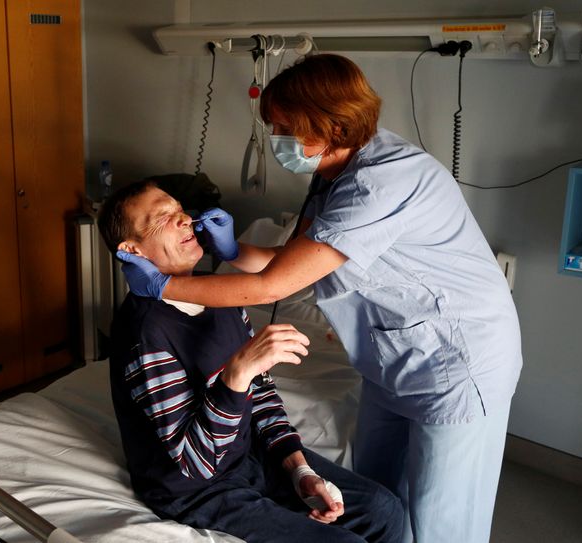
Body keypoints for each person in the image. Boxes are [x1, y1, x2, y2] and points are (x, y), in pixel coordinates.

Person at [117, 54, 523, 543]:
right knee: (381, 499)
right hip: (391, 358)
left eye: (284, 126)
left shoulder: (380, 182)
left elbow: (274, 289)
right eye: (161, 219)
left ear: (327, 125)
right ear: (130, 248)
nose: (275, 137)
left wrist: (165, 285)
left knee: (440, 523)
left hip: (456, 358)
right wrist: (231, 250)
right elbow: (287, 260)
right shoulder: (330, 171)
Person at [98, 180, 403, 543]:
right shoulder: (144, 334)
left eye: (180, 210)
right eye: (162, 218)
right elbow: (196, 462)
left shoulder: (219, 295)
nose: (183, 219)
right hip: (198, 488)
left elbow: (262, 399)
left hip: (251, 455)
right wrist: (235, 376)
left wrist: (298, 468)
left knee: (385, 510)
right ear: (132, 251)